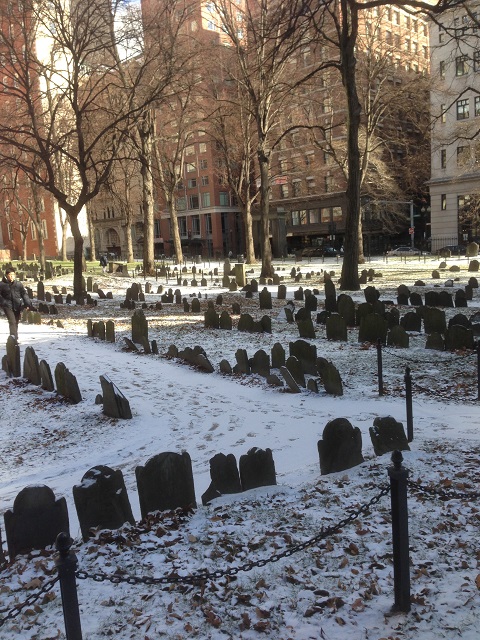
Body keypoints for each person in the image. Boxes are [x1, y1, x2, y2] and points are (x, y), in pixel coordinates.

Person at [0, 267, 32, 340]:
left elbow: (24, 294)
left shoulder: (18, 284)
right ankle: (13, 339)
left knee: (16, 322)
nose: (11, 276)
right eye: (10, 275)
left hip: (17, 305)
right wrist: (3, 302)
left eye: (13, 275)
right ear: (6, 275)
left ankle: (15, 337)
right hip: (7, 306)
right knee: (12, 321)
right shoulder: (2, 284)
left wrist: (27, 304)